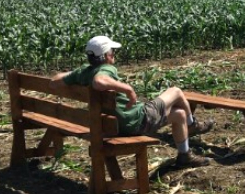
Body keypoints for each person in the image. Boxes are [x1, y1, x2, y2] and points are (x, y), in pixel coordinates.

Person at [50, 35, 214, 168]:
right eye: (112, 52)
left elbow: (54, 82)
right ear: (106, 56)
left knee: (178, 114)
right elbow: (99, 81)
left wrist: (77, 73)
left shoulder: (84, 72)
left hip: (113, 126)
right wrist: (127, 88)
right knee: (176, 92)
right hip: (136, 121)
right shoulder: (106, 69)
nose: (113, 54)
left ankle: (184, 156)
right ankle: (193, 125)